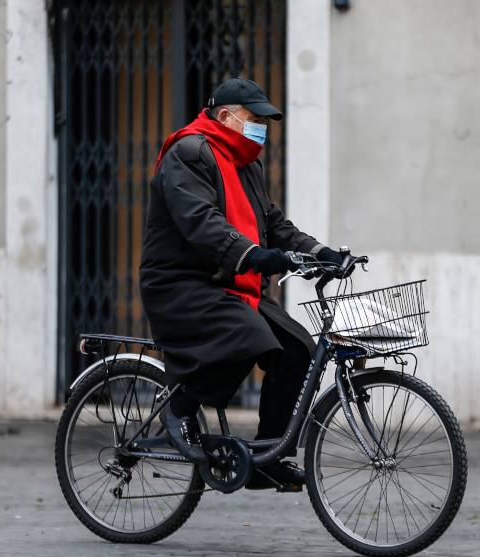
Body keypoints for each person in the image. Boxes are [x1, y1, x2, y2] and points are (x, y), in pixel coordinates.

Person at [139, 78, 344, 490]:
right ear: (225, 116)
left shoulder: (246, 163)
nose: (261, 129)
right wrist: (252, 255)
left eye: (265, 122)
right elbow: (200, 220)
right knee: (250, 337)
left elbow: (272, 222)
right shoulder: (189, 152)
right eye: (254, 120)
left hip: (230, 283)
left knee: (297, 349)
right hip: (181, 284)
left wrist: (322, 252)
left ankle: (268, 455)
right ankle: (179, 408)